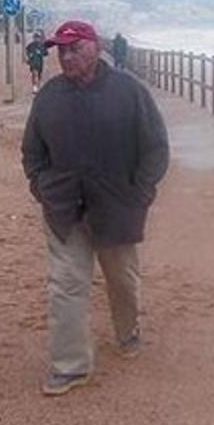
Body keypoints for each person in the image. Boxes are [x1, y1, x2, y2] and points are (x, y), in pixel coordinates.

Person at [21, 20, 169, 396]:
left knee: (122, 280)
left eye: (74, 48)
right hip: (63, 208)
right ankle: (70, 366)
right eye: (61, 50)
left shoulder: (130, 90)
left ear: (95, 47)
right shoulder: (49, 96)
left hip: (118, 207)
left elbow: (155, 148)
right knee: (65, 285)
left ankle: (128, 331)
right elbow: (31, 151)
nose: (66, 57)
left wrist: (140, 193)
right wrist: (41, 187)